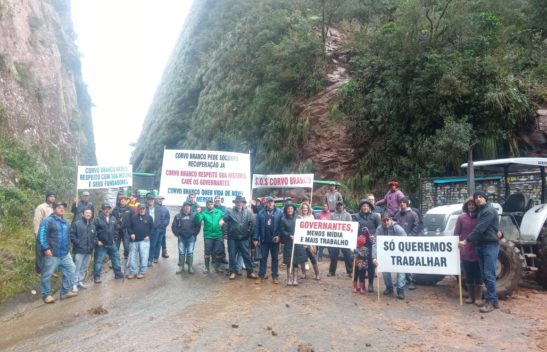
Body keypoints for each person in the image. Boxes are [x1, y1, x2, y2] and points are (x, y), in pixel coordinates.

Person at [460, 191, 501, 313]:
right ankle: (494, 300)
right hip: (481, 245)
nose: (478, 199)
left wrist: (466, 240)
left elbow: (480, 228)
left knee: (489, 274)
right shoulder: (481, 210)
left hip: (489, 245)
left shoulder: (488, 211)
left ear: (485, 198)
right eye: (476, 198)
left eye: (480, 197)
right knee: (485, 275)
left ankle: (490, 302)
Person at [38, 201, 77, 303]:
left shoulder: (65, 221)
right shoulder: (48, 221)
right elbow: (41, 235)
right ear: (54, 209)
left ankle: (65, 292)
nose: (62, 209)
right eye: (59, 207)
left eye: (63, 207)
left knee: (71, 270)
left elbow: (68, 236)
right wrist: (46, 249)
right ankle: (46, 295)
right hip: (52, 254)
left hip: (65, 254)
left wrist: (69, 246)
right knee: (46, 274)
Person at [220, 195, 258, 280]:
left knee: (247, 255)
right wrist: (224, 229)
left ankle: (250, 272)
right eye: (237, 202)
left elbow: (252, 224)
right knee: (232, 255)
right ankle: (232, 272)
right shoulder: (229, 212)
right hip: (232, 238)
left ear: (243, 203)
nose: (239, 203)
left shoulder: (248, 213)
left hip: (244, 238)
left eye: (240, 202)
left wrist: (248, 233)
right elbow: (224, 221)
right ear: (235, 203)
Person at [373, 213, 407, 299]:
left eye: (387, 220)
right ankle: (389, 287)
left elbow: (406, 241)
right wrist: (374, 257)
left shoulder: (398, 229)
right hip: (385, 254)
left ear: (390, 220)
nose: (386, 222)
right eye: (384, 220)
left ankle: (400, 289)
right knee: (384, 269)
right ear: (381, 221)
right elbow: (375, 243)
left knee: (401, 270)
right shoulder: (379, 229)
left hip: (399, 253)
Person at [455, 197, 482, 305]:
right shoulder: (461, 218)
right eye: (469, 204)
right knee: (468, 274)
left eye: (473, 204)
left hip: (478, 249)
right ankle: (471, 296)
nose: (471, 206)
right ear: (466, 206)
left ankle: (479, 298)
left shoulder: (481, 217)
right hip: (465, 250)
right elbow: (456, 233)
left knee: (478, 274)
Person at [253, 196, 283, 284]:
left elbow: (282, 226)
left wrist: (279, 236)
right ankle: (261, 276)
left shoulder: (279, 213)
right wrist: (255, 238)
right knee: (263, 258)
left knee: (275, 259)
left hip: (275, 240)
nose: (270, 204)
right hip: (264, 240)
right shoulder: (260, 213)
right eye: (268, 202)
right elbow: (257, 226)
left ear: (274, 203)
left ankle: (275, 276)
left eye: (271, 202)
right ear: (265, 203)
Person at [352, 199, 380, 292]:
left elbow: (379, 229)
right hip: (360, 244)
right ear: (360, 208)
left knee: (371, 264)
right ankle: (361, 284)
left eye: (367, 206)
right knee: (360, 265)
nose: (365, 208)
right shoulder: (356, 216)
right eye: (363, 206)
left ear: (370, 207)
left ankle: (371, 284)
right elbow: (352, 229)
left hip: (371, 244)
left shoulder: (375, 216)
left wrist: (374, 236)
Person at [393, 197, 420, 290]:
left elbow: (417, 226)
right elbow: (393, 225)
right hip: (399, 242)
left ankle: (411, 281)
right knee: (399, 261)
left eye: (403, 202)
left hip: (409, 242)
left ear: (407, 203)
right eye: (400, 202)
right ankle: (401, 280)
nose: (402, 204)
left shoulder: (413, 214)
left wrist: (411, 236)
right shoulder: (397, 215)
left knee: (409, 261)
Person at [93, 203, 124, 283]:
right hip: (101, 245)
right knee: (98, 261)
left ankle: (118, 273)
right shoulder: (97, 219)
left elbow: (116, 229)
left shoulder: (113, 218)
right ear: (102, 210)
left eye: (108, 209)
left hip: (112, 243)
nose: (107, 210)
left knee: (116, 258)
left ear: (110, 210)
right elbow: (93, 232)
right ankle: (97, 277)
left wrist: (115, 238)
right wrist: (97, 241)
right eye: (105, 209)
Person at [280, 203, 307, 286]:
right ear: (286, 210)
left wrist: (298, 235)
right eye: (288, 209)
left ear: (294, 209)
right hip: (288, 243)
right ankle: (289, 278)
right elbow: (282, 230)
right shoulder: (283, 219)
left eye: (291, 208)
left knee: (296, 261)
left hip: (297, 243)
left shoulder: (298, 218)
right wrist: (289, 235)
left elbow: (303, 229)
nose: (290, 210)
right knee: (289, 262)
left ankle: (295, 279)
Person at [70, 208, 96, 291]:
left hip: (89, 251)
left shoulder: (92, 225)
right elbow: (72, 235)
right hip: (79, 250)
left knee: (84, 268)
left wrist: (93, 244)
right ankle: (74, 284)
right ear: (82, 214)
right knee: (77, 267)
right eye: (86, 213)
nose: (88, 214)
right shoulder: (76, 224)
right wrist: (78, 243)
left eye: (90, 213)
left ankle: (79, 282)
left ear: (91, 214)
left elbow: (95, 237)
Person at [196, 199, 225, 273]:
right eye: (208, 204)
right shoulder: (204, 213)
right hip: (208, 236)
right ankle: (206, 268)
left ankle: (217, 267)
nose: (210, 205)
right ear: (206, 205)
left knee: (218, 252)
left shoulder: (218, 212)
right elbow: (198, 220)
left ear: (213, 204)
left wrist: (222, 220)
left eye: (211, 204)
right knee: (207, 252)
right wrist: (198, 213)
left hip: (218, 235)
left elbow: (226, 217)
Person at [172, 201, 200, 274]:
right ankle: (181, 267)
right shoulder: (178, 216)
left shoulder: (194, 215)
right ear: (183, 207)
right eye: (186, 206)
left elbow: (198, 225)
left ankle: (190, 267)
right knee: (181, 252)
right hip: (181, 237)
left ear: (190, 207)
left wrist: (194, 234)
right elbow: (174, 226)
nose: (187, 207)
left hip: (191, 237)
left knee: (190, 252)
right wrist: (177, 234)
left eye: (188, 206)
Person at [327, 201, 353, 277]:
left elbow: (350, 226)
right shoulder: (332, 215)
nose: (340, 207)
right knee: (333, 256)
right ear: (336, 206)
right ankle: (332, 271)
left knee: (347, 255)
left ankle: (350, 272)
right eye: (338, 205)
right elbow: (329, 225)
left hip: (345, 239)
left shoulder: (348, 215)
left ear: (343, 206)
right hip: (335, 239)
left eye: (341, 205)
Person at [128, 204, 154, 279]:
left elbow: (152, 229)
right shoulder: (133, 217)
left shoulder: (149, 217)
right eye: (140, 208)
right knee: (133, 257)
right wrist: (131, 233)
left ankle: (142, 272)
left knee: (144, 257)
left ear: (145, 209)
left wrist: (149, 236)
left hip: (144, 241)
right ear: (138, 209)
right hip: (134, 241)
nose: (141, 210)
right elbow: (129, 227)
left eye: (143, 208)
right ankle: (133, 272)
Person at [33, 191, 56, 274]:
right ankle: (39, 271)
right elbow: (37, 220)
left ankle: (48, 270)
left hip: (50, 234)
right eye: (51, 196)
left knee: (49, 252)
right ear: (47, 197)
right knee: (40, 253)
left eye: (54, 196)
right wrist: (36, 233)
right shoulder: (41, 207)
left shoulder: (54, 208)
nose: (52, 198)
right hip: (41, 233)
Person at [298, 202, 320, 280]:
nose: (305, 209)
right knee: (302, 258)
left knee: (312, 257)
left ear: (308, 209)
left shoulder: (311, 217)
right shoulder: (299, 217)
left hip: (310, 241)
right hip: (301, 241)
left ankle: (317, 274)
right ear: (301, 209)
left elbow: (315, 229)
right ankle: (304, 273)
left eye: (306, 208)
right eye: (303, 208)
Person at [150, 195, 171, 263]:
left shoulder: (165, 208)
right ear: (156, 199)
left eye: (161, 199)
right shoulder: (153, 207)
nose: (160, 200)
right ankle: (150, 258)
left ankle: (156, 257)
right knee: (153, 243)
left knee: (159, 243)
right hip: (155, 229)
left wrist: (165, 223)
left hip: (162, 229)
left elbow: (168, 217)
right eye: (159, 199)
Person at [112, 194, 132, 260]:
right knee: (116, 246)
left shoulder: (129, 209)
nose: (123, 201)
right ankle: (115, 259)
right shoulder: (115, 209)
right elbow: (112, 218)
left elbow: (133, 219)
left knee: (126, 246)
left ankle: (126, 257)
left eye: (124, 200)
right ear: (119, 201)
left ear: (126, 201)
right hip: (117, 230)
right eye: (121, 200)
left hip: (126, 230)